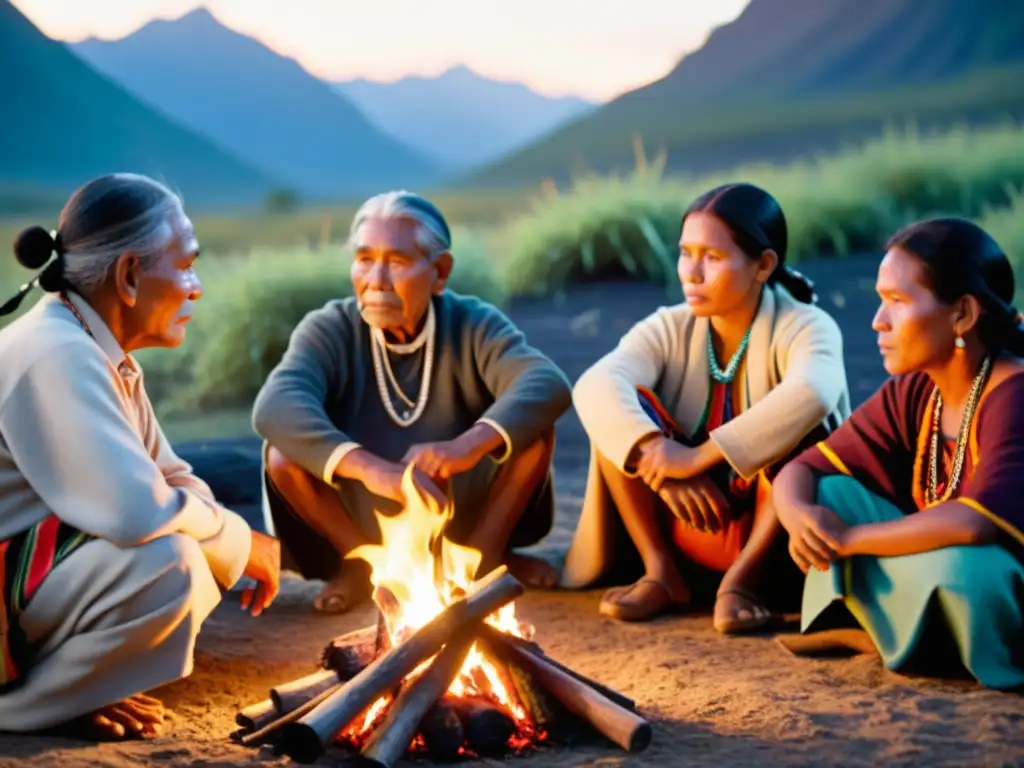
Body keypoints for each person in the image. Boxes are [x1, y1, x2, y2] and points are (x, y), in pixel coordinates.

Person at [0, 173, 280, 739]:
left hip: (19, 585)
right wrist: (237, 539)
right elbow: (138, 508)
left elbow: (170, 475)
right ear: (129, 275)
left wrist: (213, 529)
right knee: (170, 568)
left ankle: (73, 687)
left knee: (188, 550)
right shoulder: (59, 352)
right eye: (186, 265)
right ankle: (26, 708)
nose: (196, 287)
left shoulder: (91, 343)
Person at [252, 190, 572, 614]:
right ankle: (366, 568)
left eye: (397, 262)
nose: (376, 279)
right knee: (281, 457)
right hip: (362, 510)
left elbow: (545, 381)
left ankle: (483, 562)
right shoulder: (330, 327)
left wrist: (463, 448)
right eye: (364, 258)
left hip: (459, 501)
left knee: (532, 434)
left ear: (440, 272)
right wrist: (373, 470)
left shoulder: (472, 322)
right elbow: (275, 404)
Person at [561, 182, 851, 632]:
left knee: (801, 433)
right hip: (686, 522)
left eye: (711, 257)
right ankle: (661, 570)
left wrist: (697, 457)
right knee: (621, 414)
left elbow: (814, 392)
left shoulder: (806, 325)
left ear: (764, 265)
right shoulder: (670, 326)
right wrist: (658, 458)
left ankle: (741, 585)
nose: (691, 273)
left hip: (773, 538)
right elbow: (596, 383)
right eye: (685, 252)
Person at [772, 217, 1024, 689]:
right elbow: (804, 468)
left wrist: (848, 541)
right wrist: (798, 515)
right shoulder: (914, 390)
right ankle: (910, 626)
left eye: (897, 301)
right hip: (929, 554)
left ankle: (896, 627)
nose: (878, 321)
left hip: (997, 575)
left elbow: (974, 524)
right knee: (829, 492)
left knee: (964, 572)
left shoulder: (1013, 392)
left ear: (963, 315)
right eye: (880, 299)